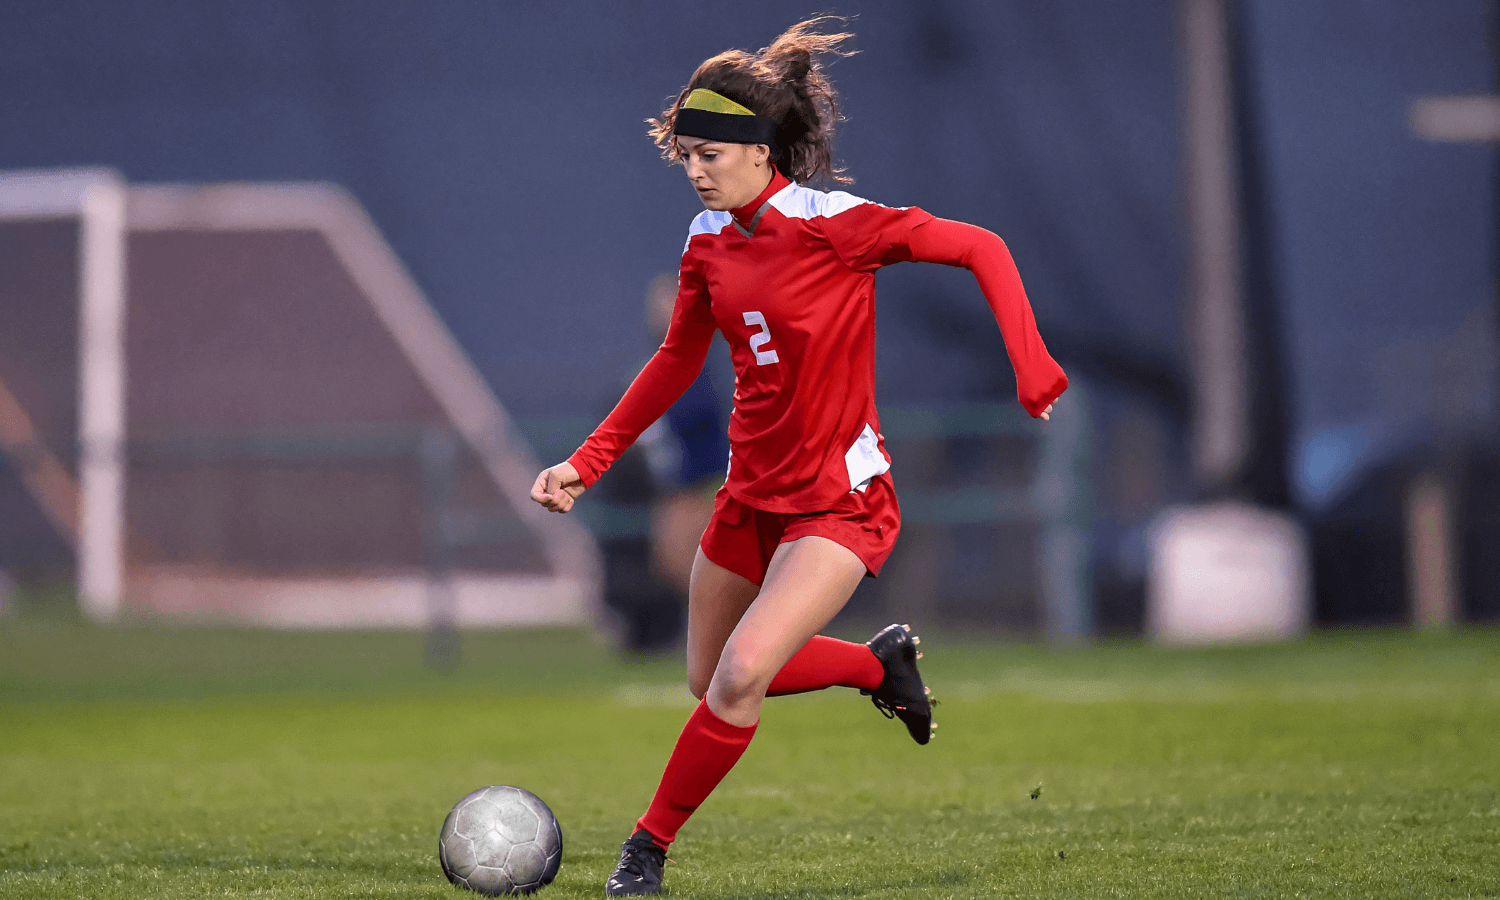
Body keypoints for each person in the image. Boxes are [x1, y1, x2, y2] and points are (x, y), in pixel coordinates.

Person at [530, 18, 1066, 896]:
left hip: (838, 503)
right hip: (749, 499)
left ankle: (644, 853)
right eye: (686, 157)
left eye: (708, 153)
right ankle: (874, 665)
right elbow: (674, 363)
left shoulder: (837, 227)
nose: (696, 171)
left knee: (741, 675)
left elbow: (981, 246)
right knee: (707, 678)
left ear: (755, 150)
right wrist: (585, 464)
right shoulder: (706, 242)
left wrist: (1030, 359)